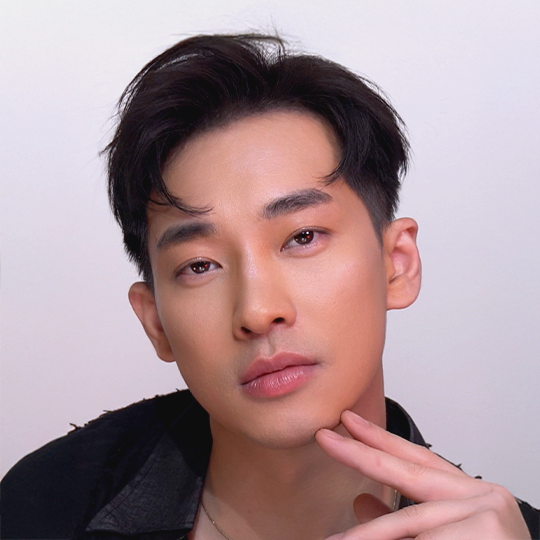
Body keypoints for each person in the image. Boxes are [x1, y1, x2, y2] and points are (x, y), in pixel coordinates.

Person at [0, 33, 538, 540]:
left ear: (397, 264)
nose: (258, 311)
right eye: (200, 266)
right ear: (156, 321)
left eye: (302, 237)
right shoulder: (44, 506)